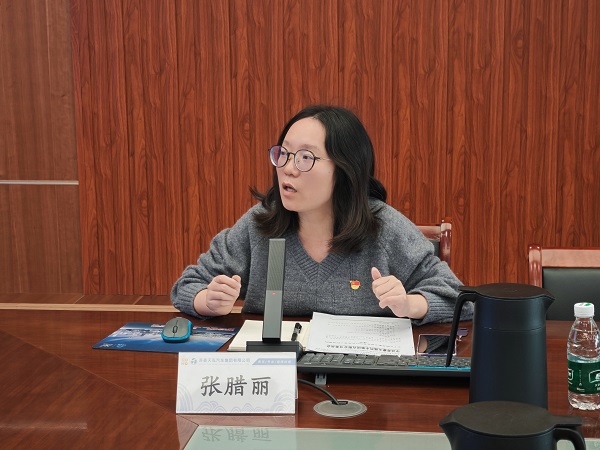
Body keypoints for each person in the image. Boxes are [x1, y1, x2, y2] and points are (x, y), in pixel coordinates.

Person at [171, 105, 473, 324]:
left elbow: (461, 301)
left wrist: (409, 304)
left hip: (363, 378)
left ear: (344, 170)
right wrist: (208, 301)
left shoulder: (385, 228)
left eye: (305, 157)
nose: (288, 168)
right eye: (284, 153)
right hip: (280, 374)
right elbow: (187, 285)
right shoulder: (259, 224)